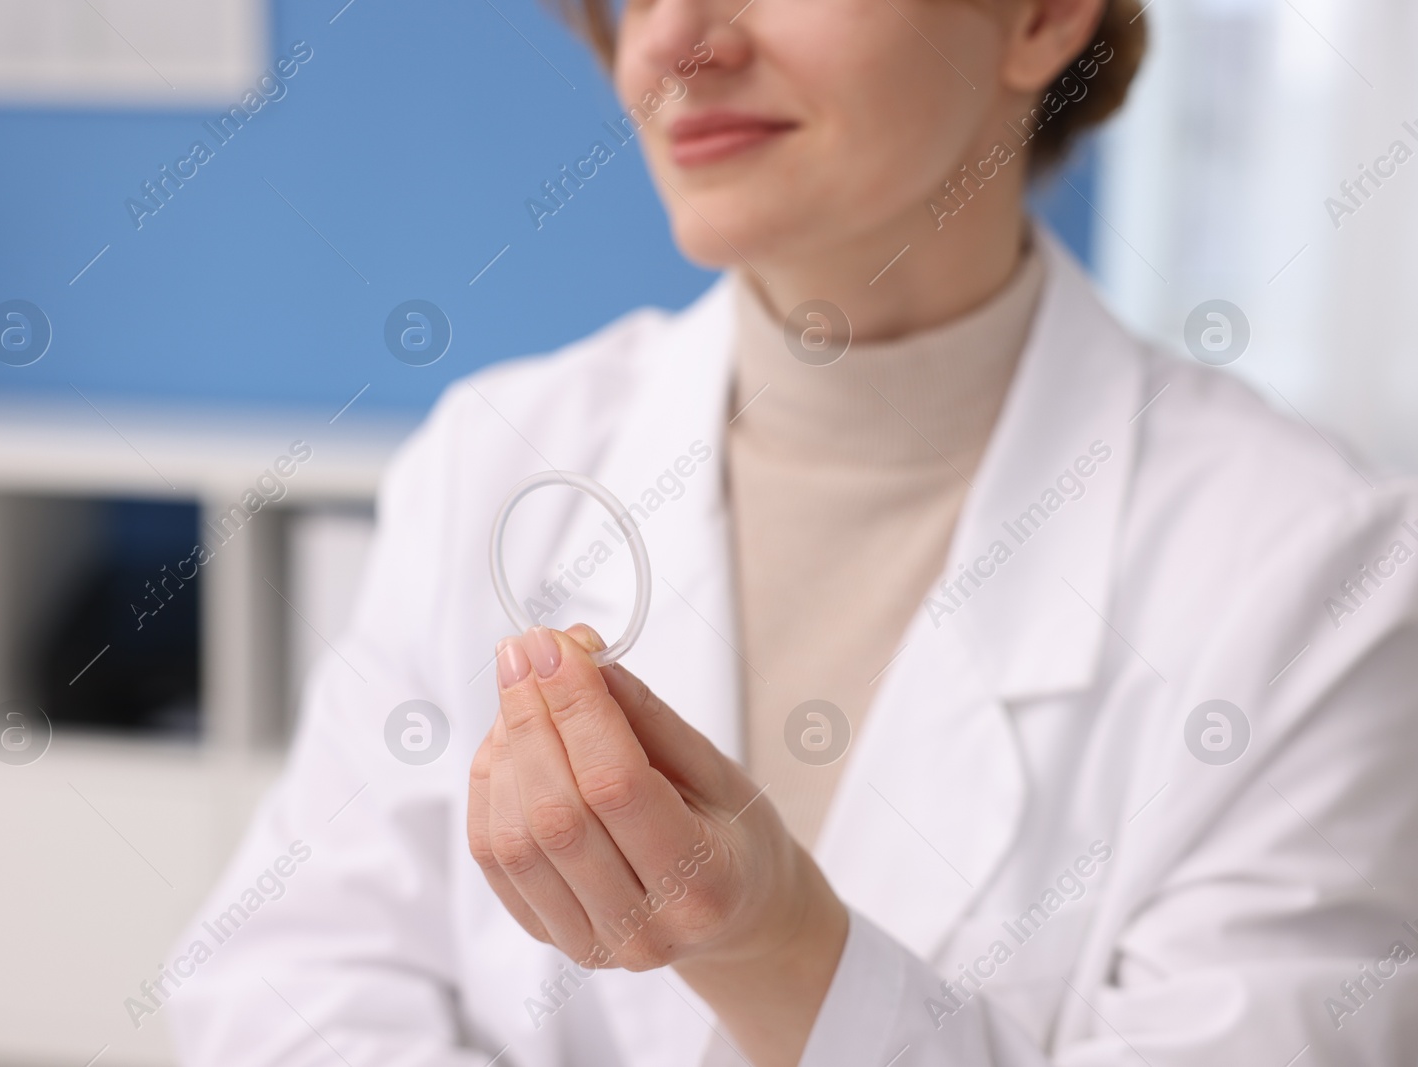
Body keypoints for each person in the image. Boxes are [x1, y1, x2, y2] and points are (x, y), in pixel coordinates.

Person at [169, 0, 1418, 1063]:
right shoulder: (498, 455)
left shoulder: (1322, 575)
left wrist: (776, 947)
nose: (677, 43)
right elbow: (277, 992)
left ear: (1040, 17)